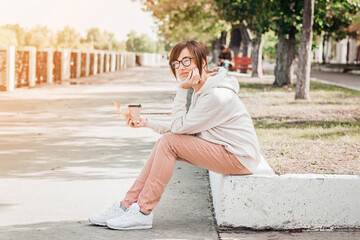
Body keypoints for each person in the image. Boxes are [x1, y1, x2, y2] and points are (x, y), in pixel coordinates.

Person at [88, 40, 273, 230]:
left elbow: (177, 129)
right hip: (225, 151)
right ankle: (126, 205)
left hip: (239, 157)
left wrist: (181, 89)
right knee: (165, 142)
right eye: (176, 63)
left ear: (202, 63)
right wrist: (147, 123)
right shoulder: (203, 89)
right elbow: (184, 130)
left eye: (186, 61)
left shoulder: (215, 95)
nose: (180, 68)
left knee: (168, 142)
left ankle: (143, 212)